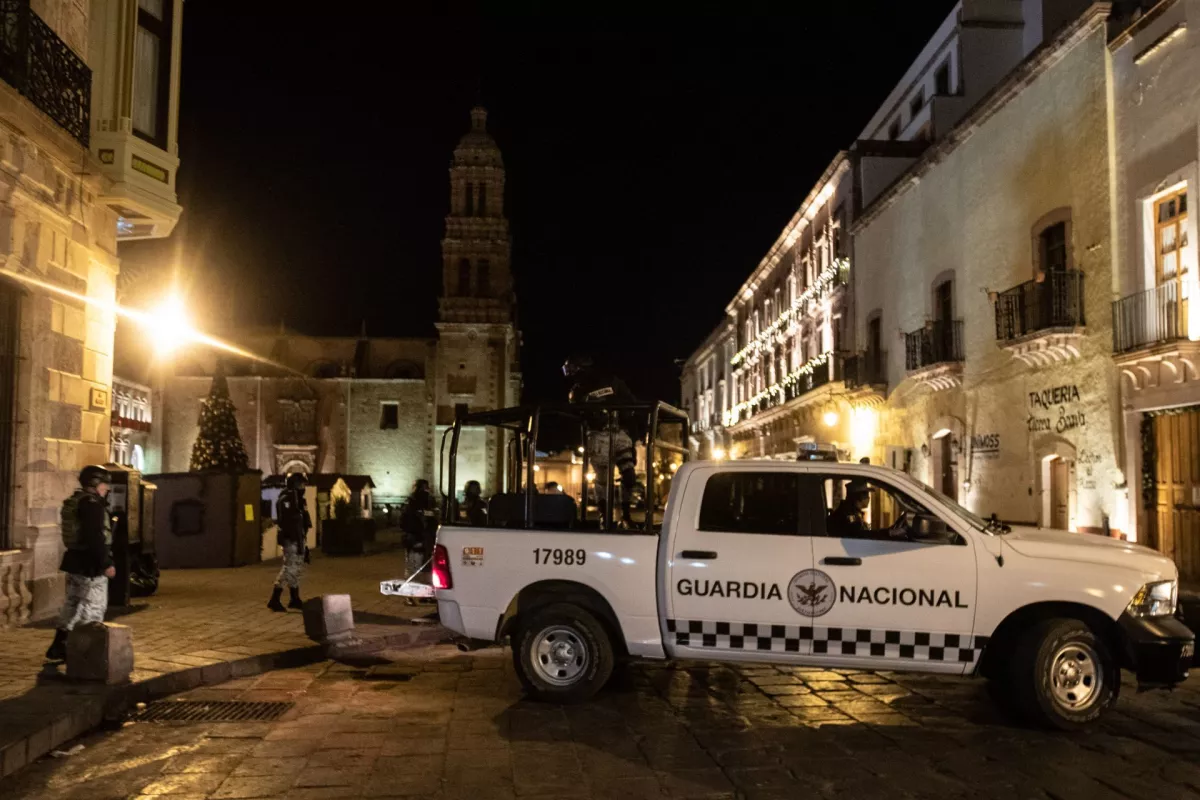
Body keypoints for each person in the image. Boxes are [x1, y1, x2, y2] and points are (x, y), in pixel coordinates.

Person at [46, 465, 115, 661]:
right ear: (94, 485)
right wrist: (106, 563)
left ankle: (59, 646)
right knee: (92, 609)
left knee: (73, 604)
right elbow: (95, 537)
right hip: (90, 565)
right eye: (104, 484)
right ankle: (82, 654)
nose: (107, 489)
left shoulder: (77, 501)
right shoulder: (92, 505)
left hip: (76, 561)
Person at [563, 354, 640, 528]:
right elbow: (576, 415)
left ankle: (626, 516)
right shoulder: (577, 391)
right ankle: (605, 517)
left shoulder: (612, 381)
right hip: (598, 436)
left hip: (618, 432)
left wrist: (632, 431)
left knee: (628, 476)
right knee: (603, 480)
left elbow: (631, 404)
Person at [269, 472, 311, 612]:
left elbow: (303, 521)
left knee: (296, 568)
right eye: (301, 484)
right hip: (291, 538)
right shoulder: (287, 499)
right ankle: (274, 599)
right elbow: (289, 522)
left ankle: (294, 598)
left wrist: (303, 543)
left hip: (298, 538)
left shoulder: (298, 499)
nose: (303, 487)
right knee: (289, 568)